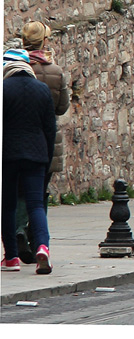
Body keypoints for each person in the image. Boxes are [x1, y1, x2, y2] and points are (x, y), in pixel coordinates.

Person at [17, 21, 69, 265]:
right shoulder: (55, 72)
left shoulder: (14, 69)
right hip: (46, 140)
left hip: (15, 138)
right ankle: (37, 239)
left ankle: (17, 232)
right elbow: (62, 107)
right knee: (40, 193)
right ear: (44, 42)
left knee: (17, 192)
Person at [3, 48, 56, 274]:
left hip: (7, 155)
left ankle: (12, 257)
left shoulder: (2, 90)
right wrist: (48, 157)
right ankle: (42, 247)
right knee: (36, 204)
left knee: (7, 205)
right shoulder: (42, 90)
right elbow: (50, 129)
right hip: (37, 154)